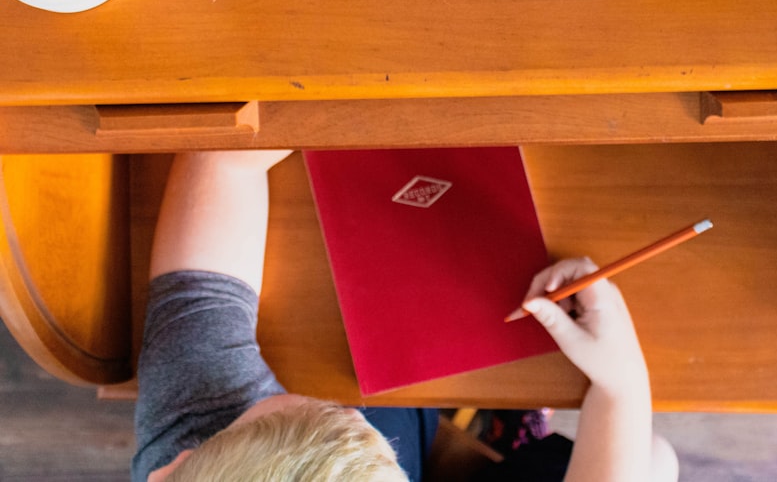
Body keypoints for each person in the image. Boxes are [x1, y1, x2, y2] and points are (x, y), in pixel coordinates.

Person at [132, 151, 677, 481]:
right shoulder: (209, 457)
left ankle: (480, 439)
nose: (351, 412)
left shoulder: (191, 430)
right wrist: (623, 380)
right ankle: (500, 440)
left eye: (319, 410)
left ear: (172, 469)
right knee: (648, 459)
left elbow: (226, 161)